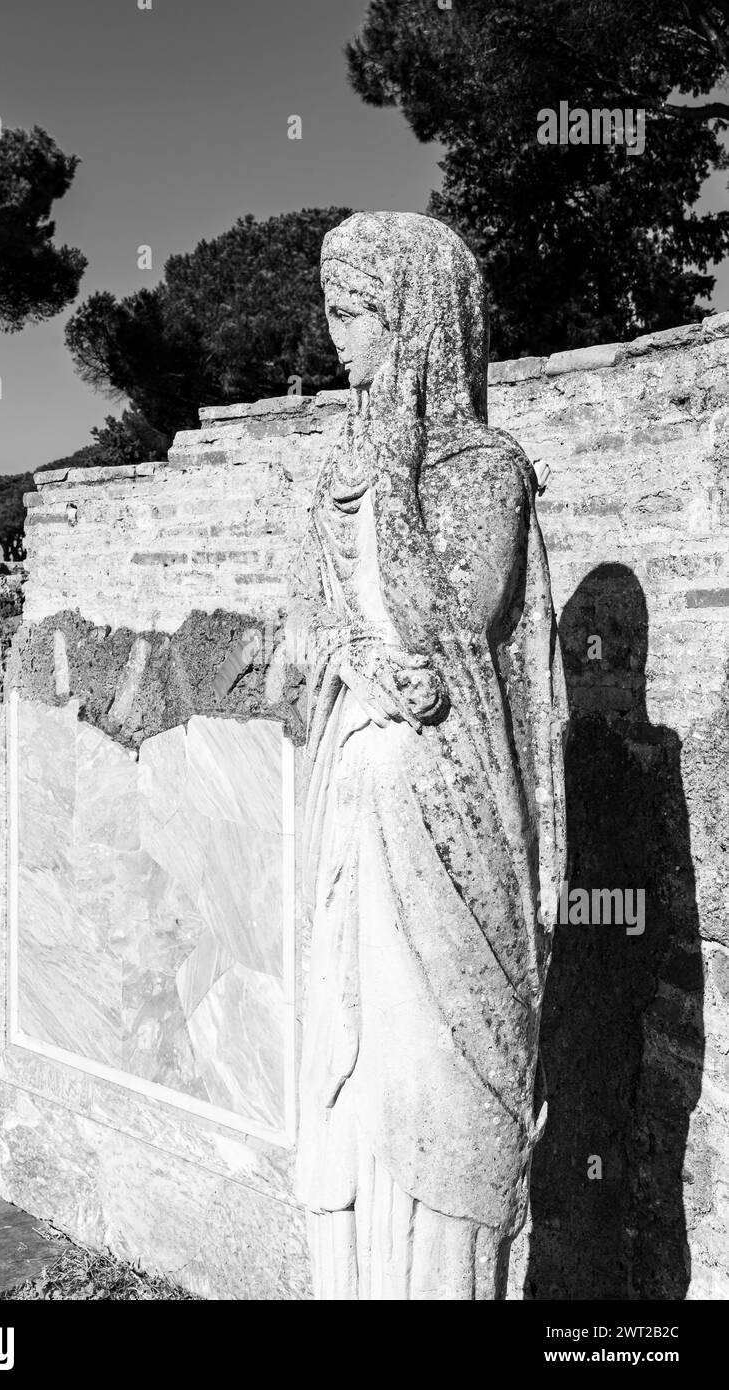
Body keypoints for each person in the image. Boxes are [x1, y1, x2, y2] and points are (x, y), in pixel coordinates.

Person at [290, 211, 568, 1299]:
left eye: (357, 314)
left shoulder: (480, 469)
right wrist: (352, 662)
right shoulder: (331, 471)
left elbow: (452, 610)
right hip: (351, 804)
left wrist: (388, 479)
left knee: (445, 1085)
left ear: (416, 324)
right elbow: (301, 645)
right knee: (355, 1073)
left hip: (450, 821)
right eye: (330, 311)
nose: (337, 336)